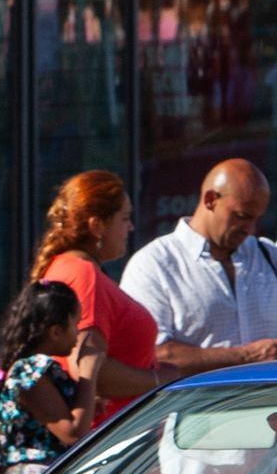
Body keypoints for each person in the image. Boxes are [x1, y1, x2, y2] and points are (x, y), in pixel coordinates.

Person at [121, 159, 277, 378]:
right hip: (197, 409)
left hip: (272, 408)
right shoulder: (154, 264)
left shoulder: (270, 257)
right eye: (242, 216)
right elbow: (155, 354)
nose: (250, 229)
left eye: (257, 219)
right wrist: (246, 357)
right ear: (211, 200)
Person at [30, 170, 173, 420]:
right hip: (109, 440)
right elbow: (88, 370)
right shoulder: (84, 276)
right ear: (97, 226)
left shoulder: (66, 267)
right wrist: (164, 379)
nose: (131, 227)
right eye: (125, 218)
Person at [0, 281, 104, 474]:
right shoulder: (31, 369)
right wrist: (88, 372)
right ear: (56, 331)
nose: (78, 332)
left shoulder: (31, 369)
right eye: (76, 323)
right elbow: (73, 432)